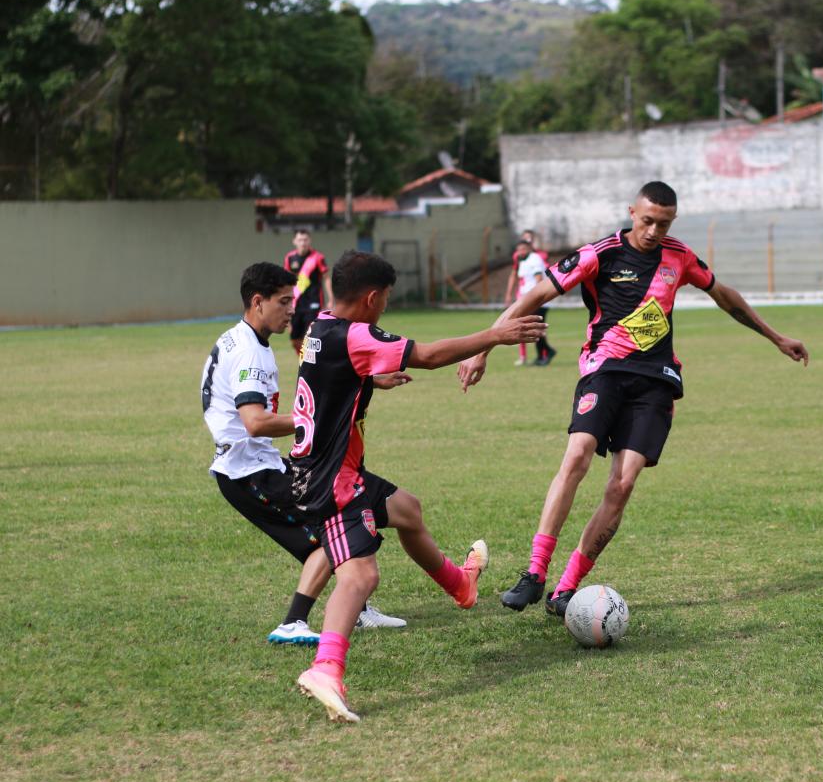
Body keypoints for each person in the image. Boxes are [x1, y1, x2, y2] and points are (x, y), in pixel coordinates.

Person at [456, 181, 810, 618]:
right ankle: (534, 573)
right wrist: (484, 347)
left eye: (663, 223)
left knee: (621, 485)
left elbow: (724, 296)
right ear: (631, 212)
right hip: (604, 371)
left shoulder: (678, 256)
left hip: (657, 381)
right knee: (578, 455)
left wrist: (776, 337)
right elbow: (534, 296)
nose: (653, 231)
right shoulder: (599, 254)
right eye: (647, 221)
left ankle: (566, 589)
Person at [290, 250, 546, 722]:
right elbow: (426, 356)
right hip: (332, 481)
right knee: (361, 576)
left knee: (406, 509)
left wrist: (370, 381)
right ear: (370, 298)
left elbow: (333, 379)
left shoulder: (320, 326)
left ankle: (461, 586)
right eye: (384, 301)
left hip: (321, 468)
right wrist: (496, 335)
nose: (384, 308)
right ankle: (326, 667)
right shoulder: (356, 333)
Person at [199, 263, 408, 647]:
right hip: (250, 471)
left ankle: (355, 609)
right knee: (334, 529)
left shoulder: (235, 338)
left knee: (329, 532)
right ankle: (296, 621)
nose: (292, 309)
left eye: (292, 300)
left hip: (250, 466)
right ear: (257, 302)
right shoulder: (250, 354)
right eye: (283, 301)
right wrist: (313, 421)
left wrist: (366, 380)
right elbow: (256, 422)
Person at [504, 240, 557, 366]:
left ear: (529, 249)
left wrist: (537, 299)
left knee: (535, 328)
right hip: (529, 300)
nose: (520, 252)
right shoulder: (523, 261)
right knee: (533, 328)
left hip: (538, 300)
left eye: (523, 249)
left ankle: (547, 352)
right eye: (519, 250)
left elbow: (539, 280)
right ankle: (542, 355)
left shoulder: (535, 259)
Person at [283, 230, 333, 356]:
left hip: (313, 302)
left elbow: (326, 277)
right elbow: (286, 280)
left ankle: (311, 366)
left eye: (305, 240)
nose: (303, 243)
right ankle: (304, 361)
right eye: (300, 240)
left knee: (310, 336)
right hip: (296, 303)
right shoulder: (290, 258)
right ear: (294, 241)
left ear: (309, 241)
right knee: (295, 339)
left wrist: (331, 298)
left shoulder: (318, 257)